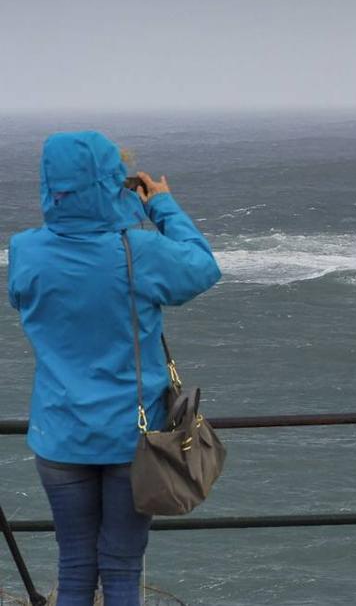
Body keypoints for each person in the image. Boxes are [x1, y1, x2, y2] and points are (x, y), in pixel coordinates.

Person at [7, 131, 220, 606]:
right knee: (121, 567)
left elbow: (23, 297)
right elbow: (203, 268)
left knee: (75, 563)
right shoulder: (138, 252)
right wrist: (158, 205)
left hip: (60, 435)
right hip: (133, 436)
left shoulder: (25, 250)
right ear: (111, 185)